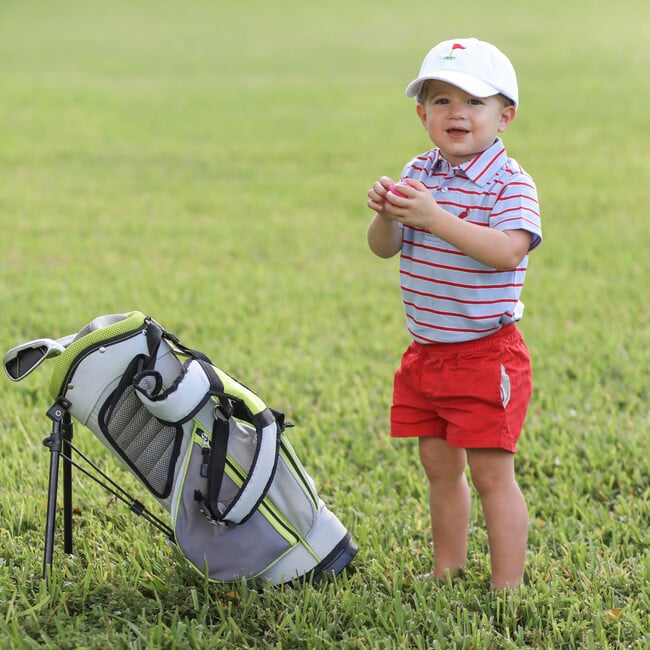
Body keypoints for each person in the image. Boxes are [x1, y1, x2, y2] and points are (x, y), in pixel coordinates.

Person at [366, 38, 542, 589]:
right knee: (440, 469)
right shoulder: (420, 171)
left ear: (504, 115)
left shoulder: (509, 183)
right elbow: (383, 247)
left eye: (474, 101)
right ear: (423, 115)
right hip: (426, 353)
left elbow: (508, 250)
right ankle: (448, 568)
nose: (456, 113)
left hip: (486, 354)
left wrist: (435, 217)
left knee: (493, 475)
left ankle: (506, 588)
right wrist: (389, 215)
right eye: (441, 101)